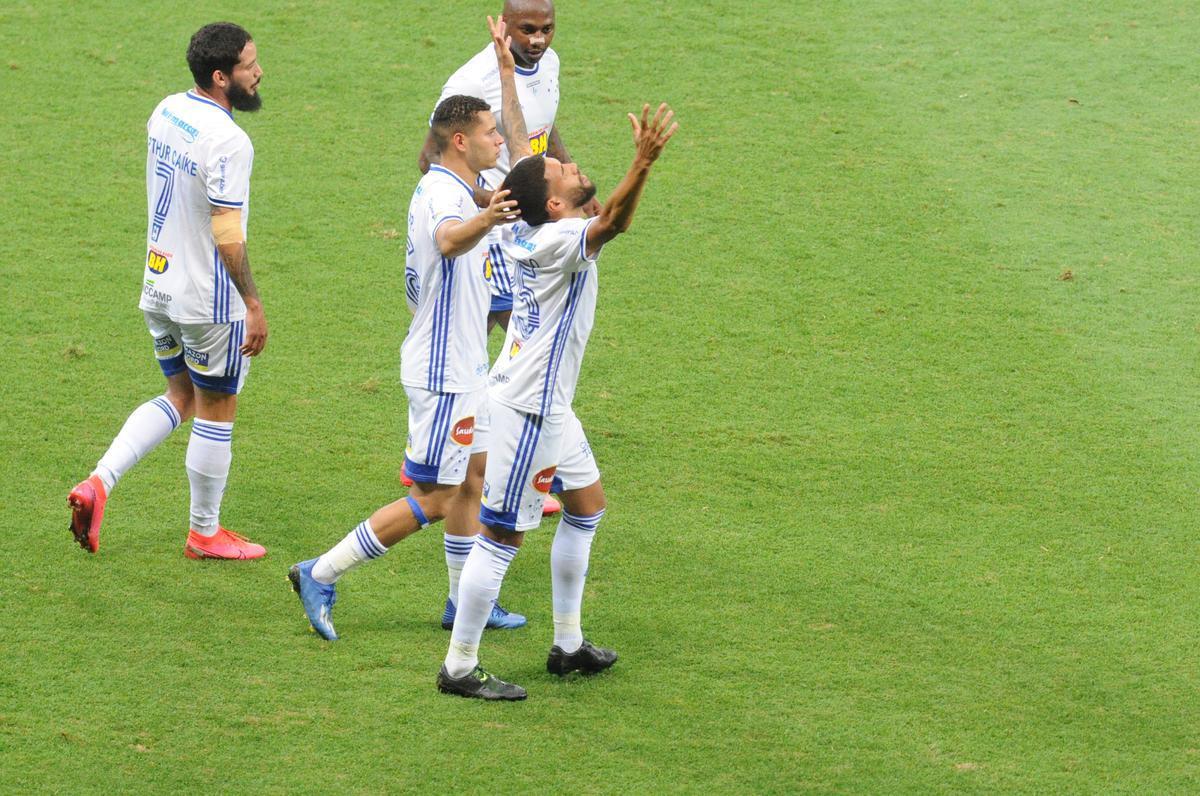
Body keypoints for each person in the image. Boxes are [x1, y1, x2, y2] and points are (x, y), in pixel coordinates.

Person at [436, 16, 678, 700]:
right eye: (566, 171)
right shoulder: (559, 242)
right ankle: (458, 667)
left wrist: (509, 75)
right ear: (558, 202)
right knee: (503, 537)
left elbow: (520, 145)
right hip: (528, 407)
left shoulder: (538, 216)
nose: (570, 161)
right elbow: (615, 224)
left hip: (548, 402)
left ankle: (567, 645)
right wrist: (644, 163)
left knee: (586, 506)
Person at [288, 94, 525, 640]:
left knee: (473, 481)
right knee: (437, 497)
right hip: (442, 372)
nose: (499, 141)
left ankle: (464, 602)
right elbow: (447, 238)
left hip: (465, 365)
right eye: (491, 133)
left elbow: (479, 204)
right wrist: (488, 218)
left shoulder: (459, 186)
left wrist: (498, 202)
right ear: (460, 140)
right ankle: (319, 573)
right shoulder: (446, 194)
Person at [67, 22, 269, 560]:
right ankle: (205, 533)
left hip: (158, 283)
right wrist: (251, 301)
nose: (259, 72)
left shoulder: (166, 110)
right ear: (222, 76)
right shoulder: (230, 139)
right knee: (216, 406)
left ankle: (99, 482)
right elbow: (227, 229)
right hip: (207, 298)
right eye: (250, 65)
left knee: (181, 397)